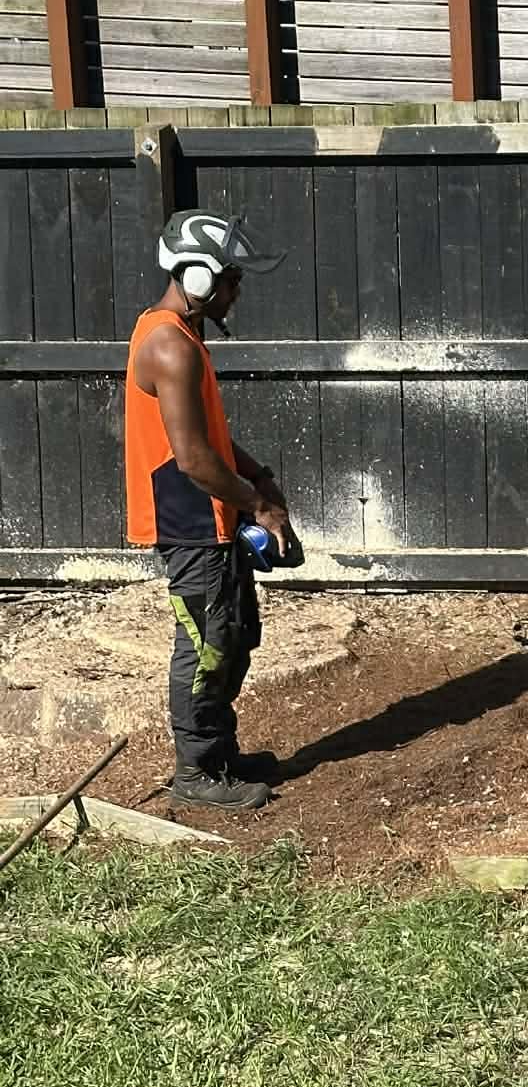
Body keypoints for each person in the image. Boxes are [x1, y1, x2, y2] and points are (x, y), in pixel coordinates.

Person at [124, 210, 292, 811]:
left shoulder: (181, 335)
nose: (237, 290)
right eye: (232, 278)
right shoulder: (170, 345)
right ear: (197, 277)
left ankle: (218, 752)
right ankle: (195, 773)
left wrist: (256, 474)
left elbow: (210, 441)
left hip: (213, 518)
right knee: (205, 645)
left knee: (234, 634)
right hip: (190, 521)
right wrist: (259, 506)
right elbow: (194, 461)